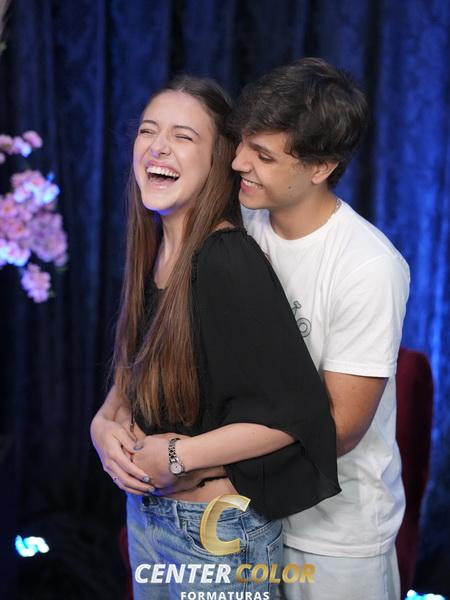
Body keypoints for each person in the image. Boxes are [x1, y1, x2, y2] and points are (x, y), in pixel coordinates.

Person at [90, 75, 340, 599]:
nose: (158, 146)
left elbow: (298, 414)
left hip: (215, 533)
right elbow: (140, 365)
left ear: (218, 159)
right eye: (148, 130)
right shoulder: (155, 246)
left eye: (183, 136)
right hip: (149, 519)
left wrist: (179, 456)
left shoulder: (225, 258)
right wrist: (103, 423)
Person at [229, 58, 410, 600]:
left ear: (320, 166)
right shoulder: (236, 228)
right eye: (243, 144)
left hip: (335, 535)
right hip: (239, 512)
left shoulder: (368, 265)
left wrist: (192, 459)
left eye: (263, 155)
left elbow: (341, 427)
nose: (238, 162)